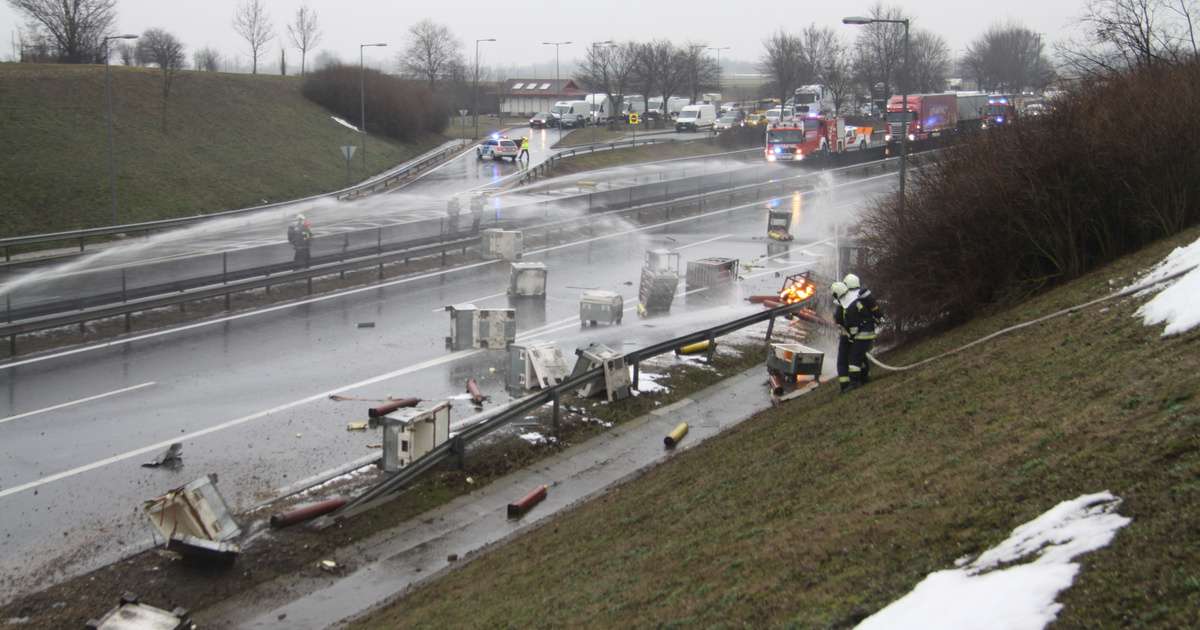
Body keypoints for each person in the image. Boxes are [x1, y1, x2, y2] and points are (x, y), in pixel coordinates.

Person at [843, 273, 882, 383]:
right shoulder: (861, 296)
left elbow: (853, 321)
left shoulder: (850, 300)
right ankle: (866, 378)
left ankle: (855, 383)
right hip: (869, 331)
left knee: (854, 359)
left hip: (862, 333)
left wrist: (852, 336)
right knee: (862, 357)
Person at [830, 282, 854, 393]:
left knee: (842, 361)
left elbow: (839, 319)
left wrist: (836, 317)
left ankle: (845, 386)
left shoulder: (843, 304)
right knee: (858, 359)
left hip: (847, 337)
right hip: (857, 337)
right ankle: (863, 379)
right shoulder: (855, 299)